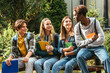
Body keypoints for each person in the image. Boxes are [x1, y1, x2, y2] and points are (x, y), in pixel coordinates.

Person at [73, 5, 110, 73]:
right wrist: (91, 40)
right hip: (86, 49)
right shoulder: (77, 27)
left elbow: (102, 39)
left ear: (81, 15)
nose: (74, 17)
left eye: (75, 15)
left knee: (106, 59)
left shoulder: (95, 22)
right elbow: (78, 43)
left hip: (99, 47)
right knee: (79, 57)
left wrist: (86, 43)